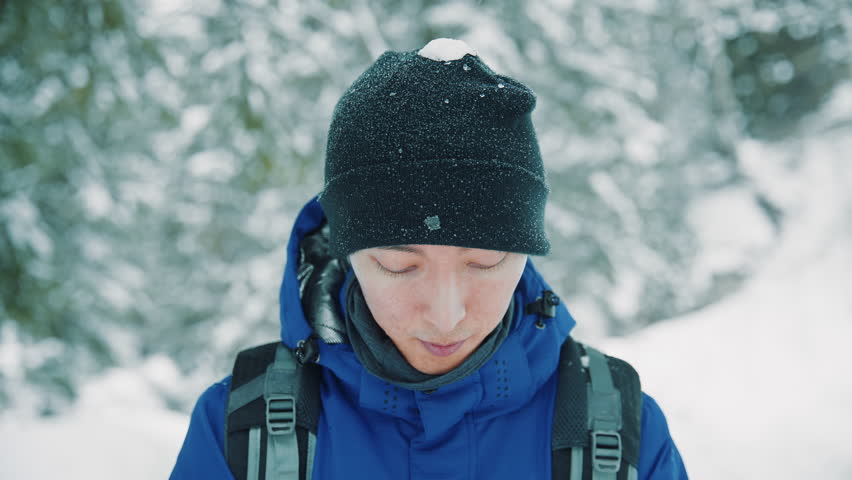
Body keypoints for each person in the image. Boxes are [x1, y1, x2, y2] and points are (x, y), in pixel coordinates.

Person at [170, 38, 688, 479]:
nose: (446, 315)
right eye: (399, 264)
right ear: (348, 253)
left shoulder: (619, 439)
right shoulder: (241, 433)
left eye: (484, 261)